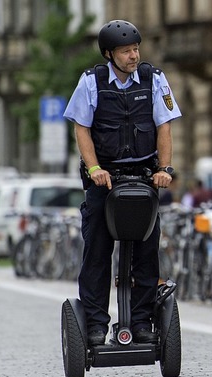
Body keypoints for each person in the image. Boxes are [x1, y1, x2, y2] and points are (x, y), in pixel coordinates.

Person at [63, 20, 182, 346]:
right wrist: (95, 168)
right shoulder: (91, 82)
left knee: (147, 253)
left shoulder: (154, 79)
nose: (133, 55)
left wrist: (165, 168)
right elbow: (82, 129)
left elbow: (165, 127)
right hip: (105, 181)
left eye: (135, 49)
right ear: (109, 54)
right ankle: (96, 324)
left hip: (144, 178)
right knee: (97, 253)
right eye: (126, 51)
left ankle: (142, 321)